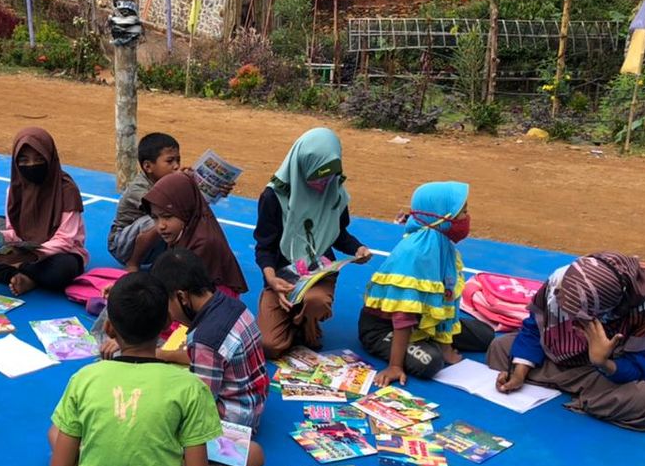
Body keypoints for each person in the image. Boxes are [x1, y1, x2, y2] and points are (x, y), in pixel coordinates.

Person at [48, 272, 263, 466]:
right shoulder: (189, 387)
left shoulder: (84, 379)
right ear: (166, 323)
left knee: (57, 429)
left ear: (109, 328)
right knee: (253, 454)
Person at [488, 252, 645, 431]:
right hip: (574, 358)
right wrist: (519, 372)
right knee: (500, 348)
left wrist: (603, 362)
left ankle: (574, 387)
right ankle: (584, 391)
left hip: (624, 367)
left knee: (644, 400)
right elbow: (535, 327)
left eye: (578, 316)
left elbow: (643, 366)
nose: (570, 321)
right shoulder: (563, 281)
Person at [358, 181, 492, 386]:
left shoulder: (442, 244)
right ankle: (423, 345)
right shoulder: (415, 253)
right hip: (387, 327)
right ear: (441, 217)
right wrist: (395, 366)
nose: (466, 218)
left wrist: (446, 343)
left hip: (422, 321)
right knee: (430, 362)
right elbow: (403, 314)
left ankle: (433, 339)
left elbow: (448, 298)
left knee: (486, 335)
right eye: (462, 212)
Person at [253, 128, 371, 358]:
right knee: (270, 346)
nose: (323, 183)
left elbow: (337, 233)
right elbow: (264, 246)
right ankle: (294, 317)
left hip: (319, 271)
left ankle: (307, 319)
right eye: (316, 175)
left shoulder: (334, 191)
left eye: (328, 176)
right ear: (300, 166)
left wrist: (358, 248)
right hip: (282, 276)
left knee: (315, 301)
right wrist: (272, 280)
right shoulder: (274, 197)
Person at [0, 127, 89, 295]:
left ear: (50, 157)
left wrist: (24, 257)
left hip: (56, 254)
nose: (31, 165)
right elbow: (15, 232)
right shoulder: (15, 189)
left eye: (39, 158)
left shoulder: (66, 190)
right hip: (19, 251)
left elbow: (65, 240)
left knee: (61, 271)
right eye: (24, 161)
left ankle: (20, 272)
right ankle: (19, 277)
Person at [150, 248, 269, 433]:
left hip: (234, 423)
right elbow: (214, 359)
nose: (170, 315)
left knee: (152, 414)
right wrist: (164, 355)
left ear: (182, 297)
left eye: (167, 304)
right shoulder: (234, 305)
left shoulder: (206, 340)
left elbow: (200, 405)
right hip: (254, 402)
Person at [141, 171, 248, 297]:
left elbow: (184, 293)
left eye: (168, 216)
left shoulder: (204, 244)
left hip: (214, 303)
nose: (161, 226)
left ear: (186, 210)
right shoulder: (185, 231)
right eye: (155, 218)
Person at [107, 132, 182, 271]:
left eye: (178, 160)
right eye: (170, 161)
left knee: (190, 218)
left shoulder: (169, 182)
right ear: (148, 167)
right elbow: (163, 207)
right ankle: (133, 264)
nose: (176, 166)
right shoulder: (138, 188)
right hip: (123, 245)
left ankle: (172, 262)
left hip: (153, 247)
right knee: (163, 219)